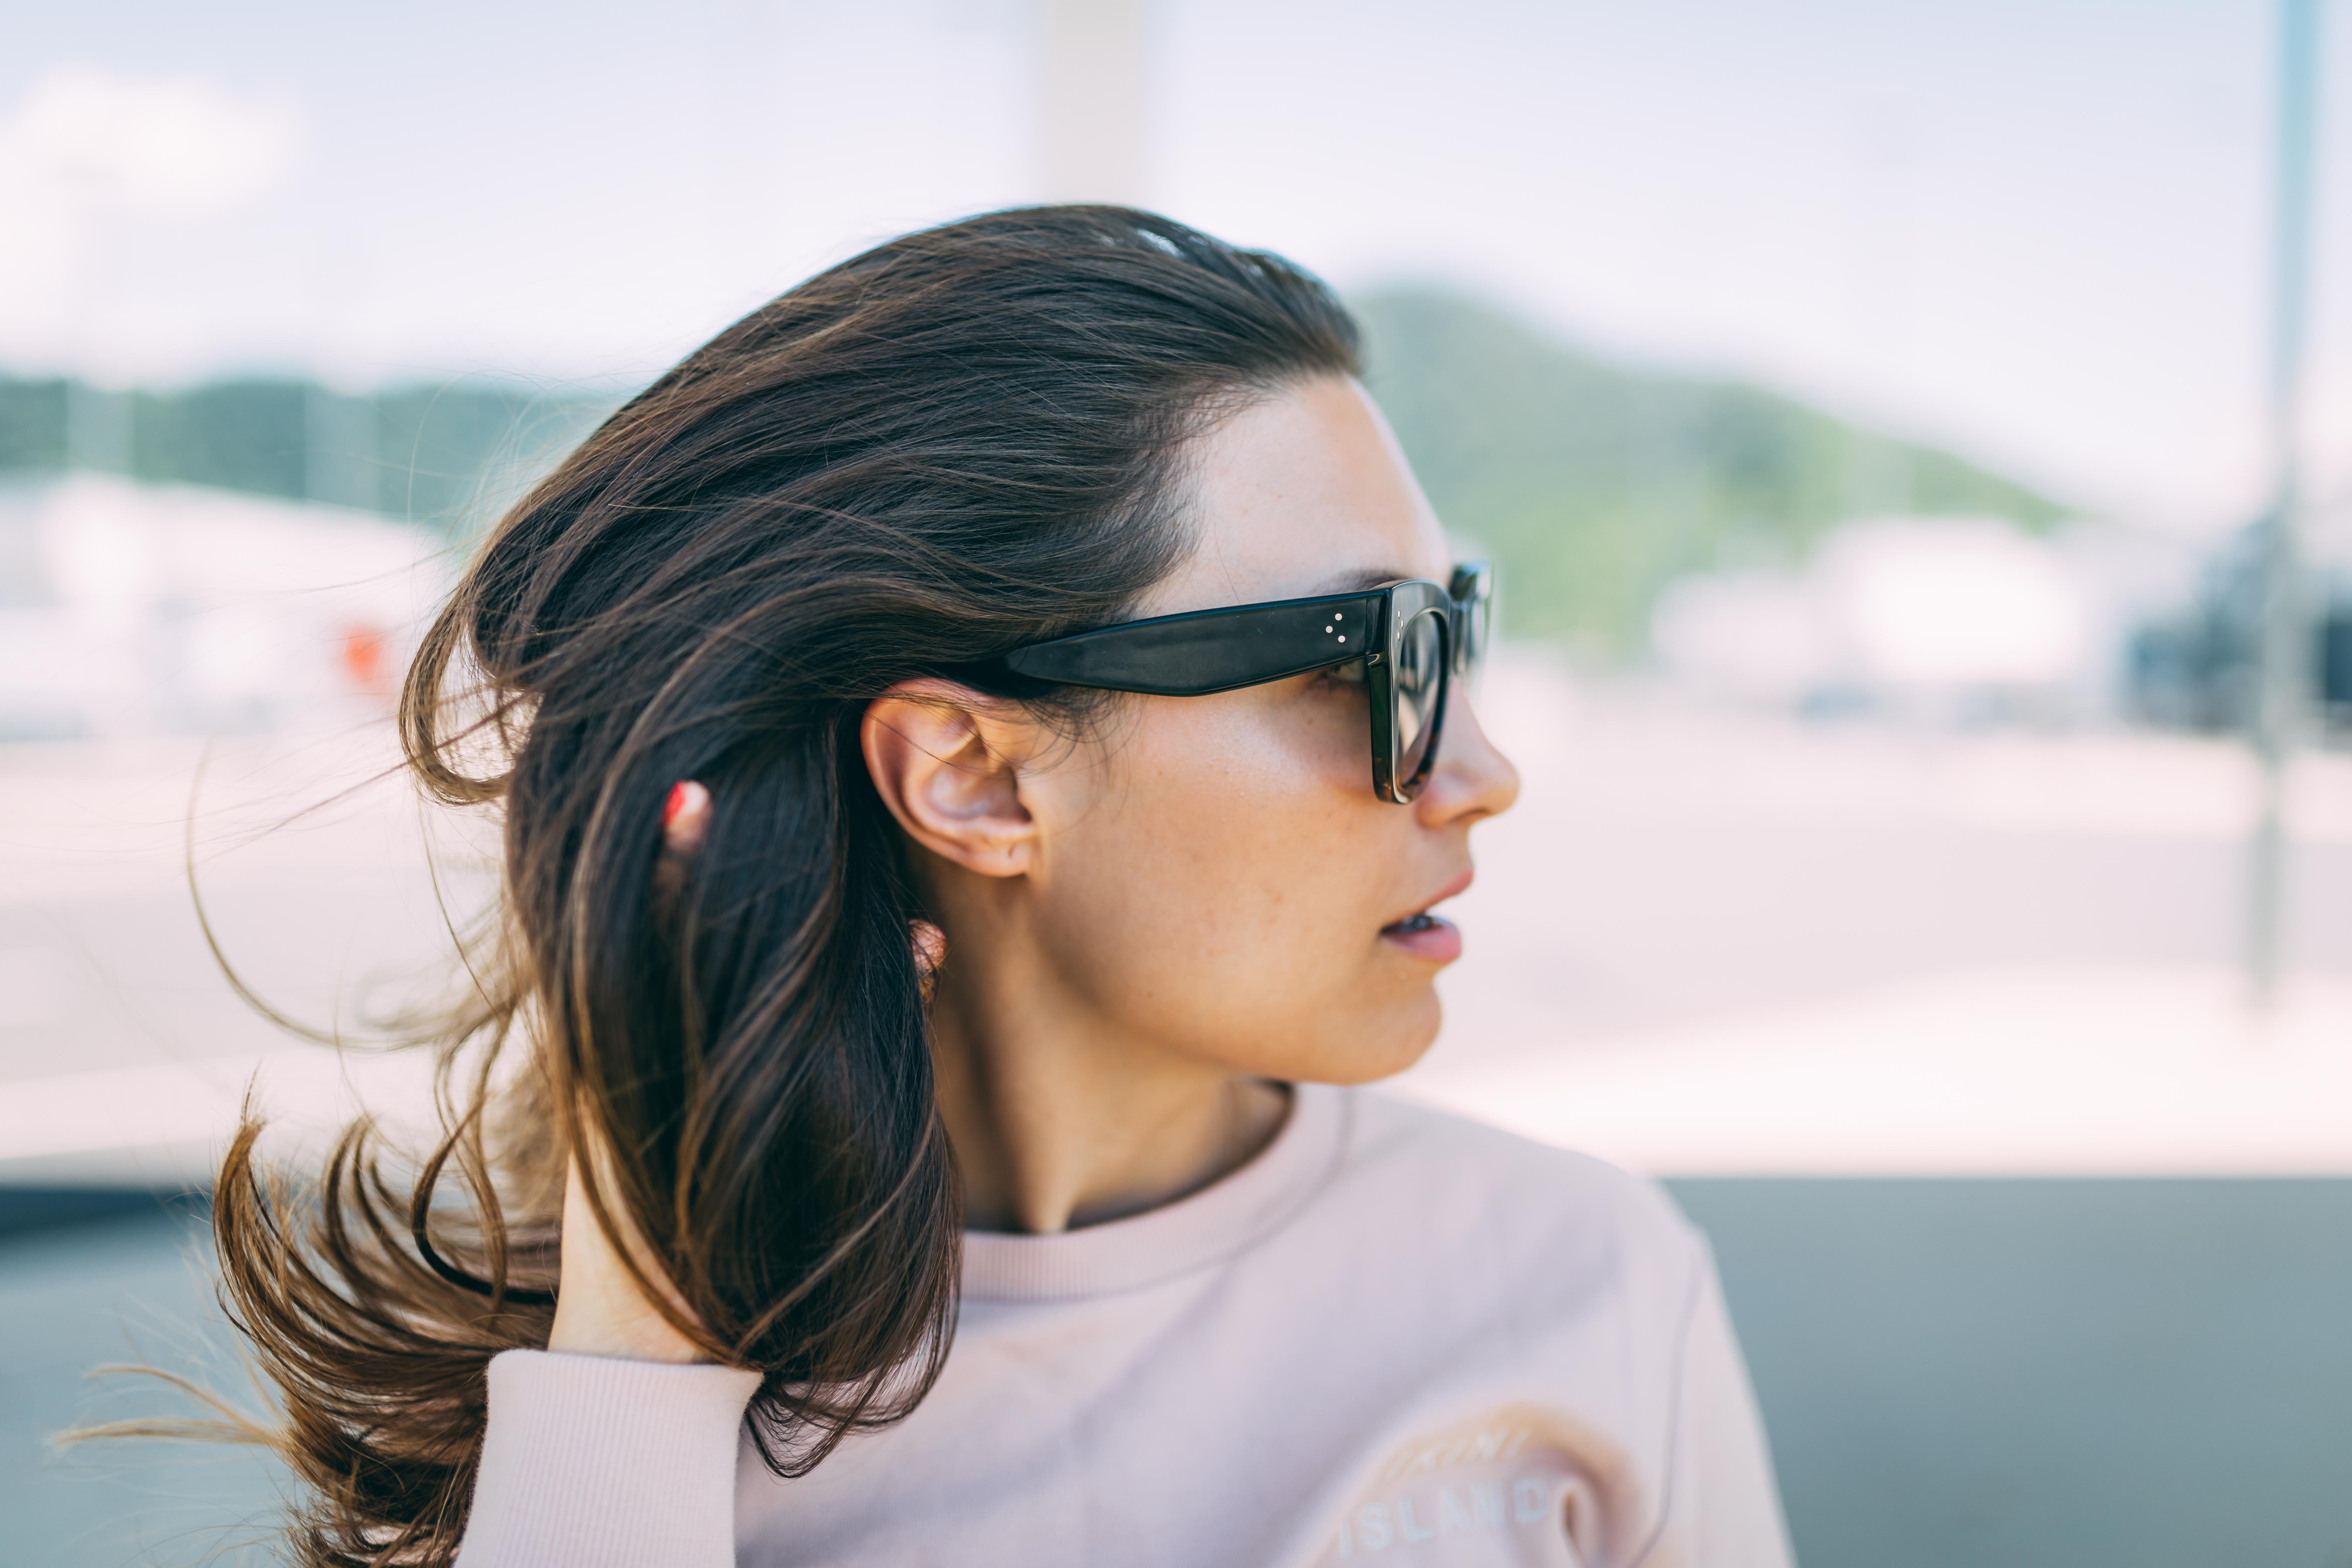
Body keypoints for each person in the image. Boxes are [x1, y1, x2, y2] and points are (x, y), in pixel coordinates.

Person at [211, 206, 1790, 1568]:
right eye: (1378, 662)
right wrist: (630, 1360)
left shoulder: (1588, 1284)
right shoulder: (606, 1413)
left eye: (1457, 626)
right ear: (969, 774)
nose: (1483, 767)